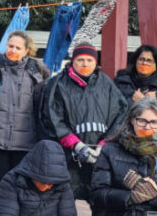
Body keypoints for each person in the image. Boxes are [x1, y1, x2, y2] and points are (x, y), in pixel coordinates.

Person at [40, 43, 128, 202]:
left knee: (100, 199)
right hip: (68, 155)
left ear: (95, 62)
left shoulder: (106, 83)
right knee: (64, 200)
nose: (85, 64)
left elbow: (120, 113)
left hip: (100, 154)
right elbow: (52, 117)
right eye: (80, 59)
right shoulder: (58, 84)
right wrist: (75, 144)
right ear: (73, 61)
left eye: (89, 60)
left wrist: (105, 143)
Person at [0, 30, 50, 203]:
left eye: (18, 47)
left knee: (20, 184)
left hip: (25, 139)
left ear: (26, 51)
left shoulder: (36, 73)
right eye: (10, 46)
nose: (13, 50)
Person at [114, 45, 157, 116]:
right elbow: (114, 109)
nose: (144, 63)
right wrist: (132, 101)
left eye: (149, 61)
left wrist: (152, 102)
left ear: (156, 65)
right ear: (135, 61)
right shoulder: (121, 81)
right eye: (141, 59)